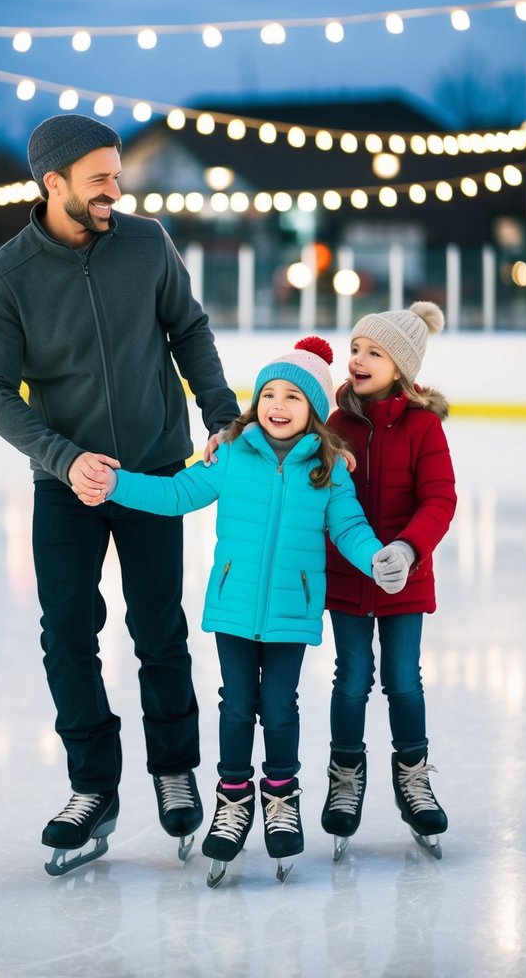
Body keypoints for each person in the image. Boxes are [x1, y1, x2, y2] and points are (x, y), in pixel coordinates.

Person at [0, 113, 241, 873]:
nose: (114, 192)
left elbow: (188, 329)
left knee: (159, 628)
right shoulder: (10, 274)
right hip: (66, 486)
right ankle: (93, 786)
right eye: (99, 180)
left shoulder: (146, 242)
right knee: (67, 635)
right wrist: (60, 458)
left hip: (153, 470)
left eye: (116, 177)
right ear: (52, 182)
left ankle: (174, 767)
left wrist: (219, 417)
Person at [77, 335, 414, 884]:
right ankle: (233, 800)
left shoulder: (328, 470)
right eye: (269, 395)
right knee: (236, 706)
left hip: (290, 614)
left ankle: (282, 796)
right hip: (234, 609)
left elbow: (350, 527)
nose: (278, 406)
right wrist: (116, 484)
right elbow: (177, 494)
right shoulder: (230, 454)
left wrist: (377, 558)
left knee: (280, 707)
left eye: (294, 398)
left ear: (314, 411)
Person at [321, 301, 457, 859]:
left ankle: (413, 777)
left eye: (373, 352)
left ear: (400, 366)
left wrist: (407, 547)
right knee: (351, 678)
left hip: (408, 581)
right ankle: (345, 777)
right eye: (355, 348)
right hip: (348, 582)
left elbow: (440, 499)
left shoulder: (424, 427)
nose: (358, 359)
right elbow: (320, 495)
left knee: (403, 680)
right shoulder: (336, 424)